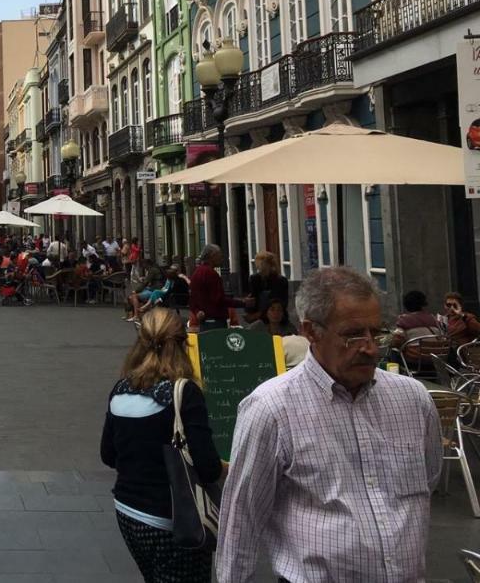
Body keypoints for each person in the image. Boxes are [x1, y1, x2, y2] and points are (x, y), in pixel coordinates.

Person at [217, 266, 442, 583]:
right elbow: (242, 519)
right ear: (311, 331)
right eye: (353, 335)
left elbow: (429, 479)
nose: (370, 347)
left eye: (377, 333)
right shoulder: (271, 409)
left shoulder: (413, 399)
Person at [101, 308, 221, 582]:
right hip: (173, 518)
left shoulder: (121, 389)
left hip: (128, 512)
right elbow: (207, 467)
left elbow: (108, 454)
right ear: (182, 344)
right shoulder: (183, 393)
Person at [188, 244, 231, 330]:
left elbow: (192, 299)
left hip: (204, 323)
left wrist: (197, 311)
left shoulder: (196, 273)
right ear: (212, 256)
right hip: (216, 322)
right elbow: (219, 300)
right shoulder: (212, 274)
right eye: (219, 255)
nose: (221, 258)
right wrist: (242, 303)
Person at [244, 250, 288, 325]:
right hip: (262, 318)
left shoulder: (280, 280)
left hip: (272, 317)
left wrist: (256, 314)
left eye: (261, 265)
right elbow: (253, 297)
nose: (260, 268)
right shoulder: (254, 279)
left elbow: (280, 301)